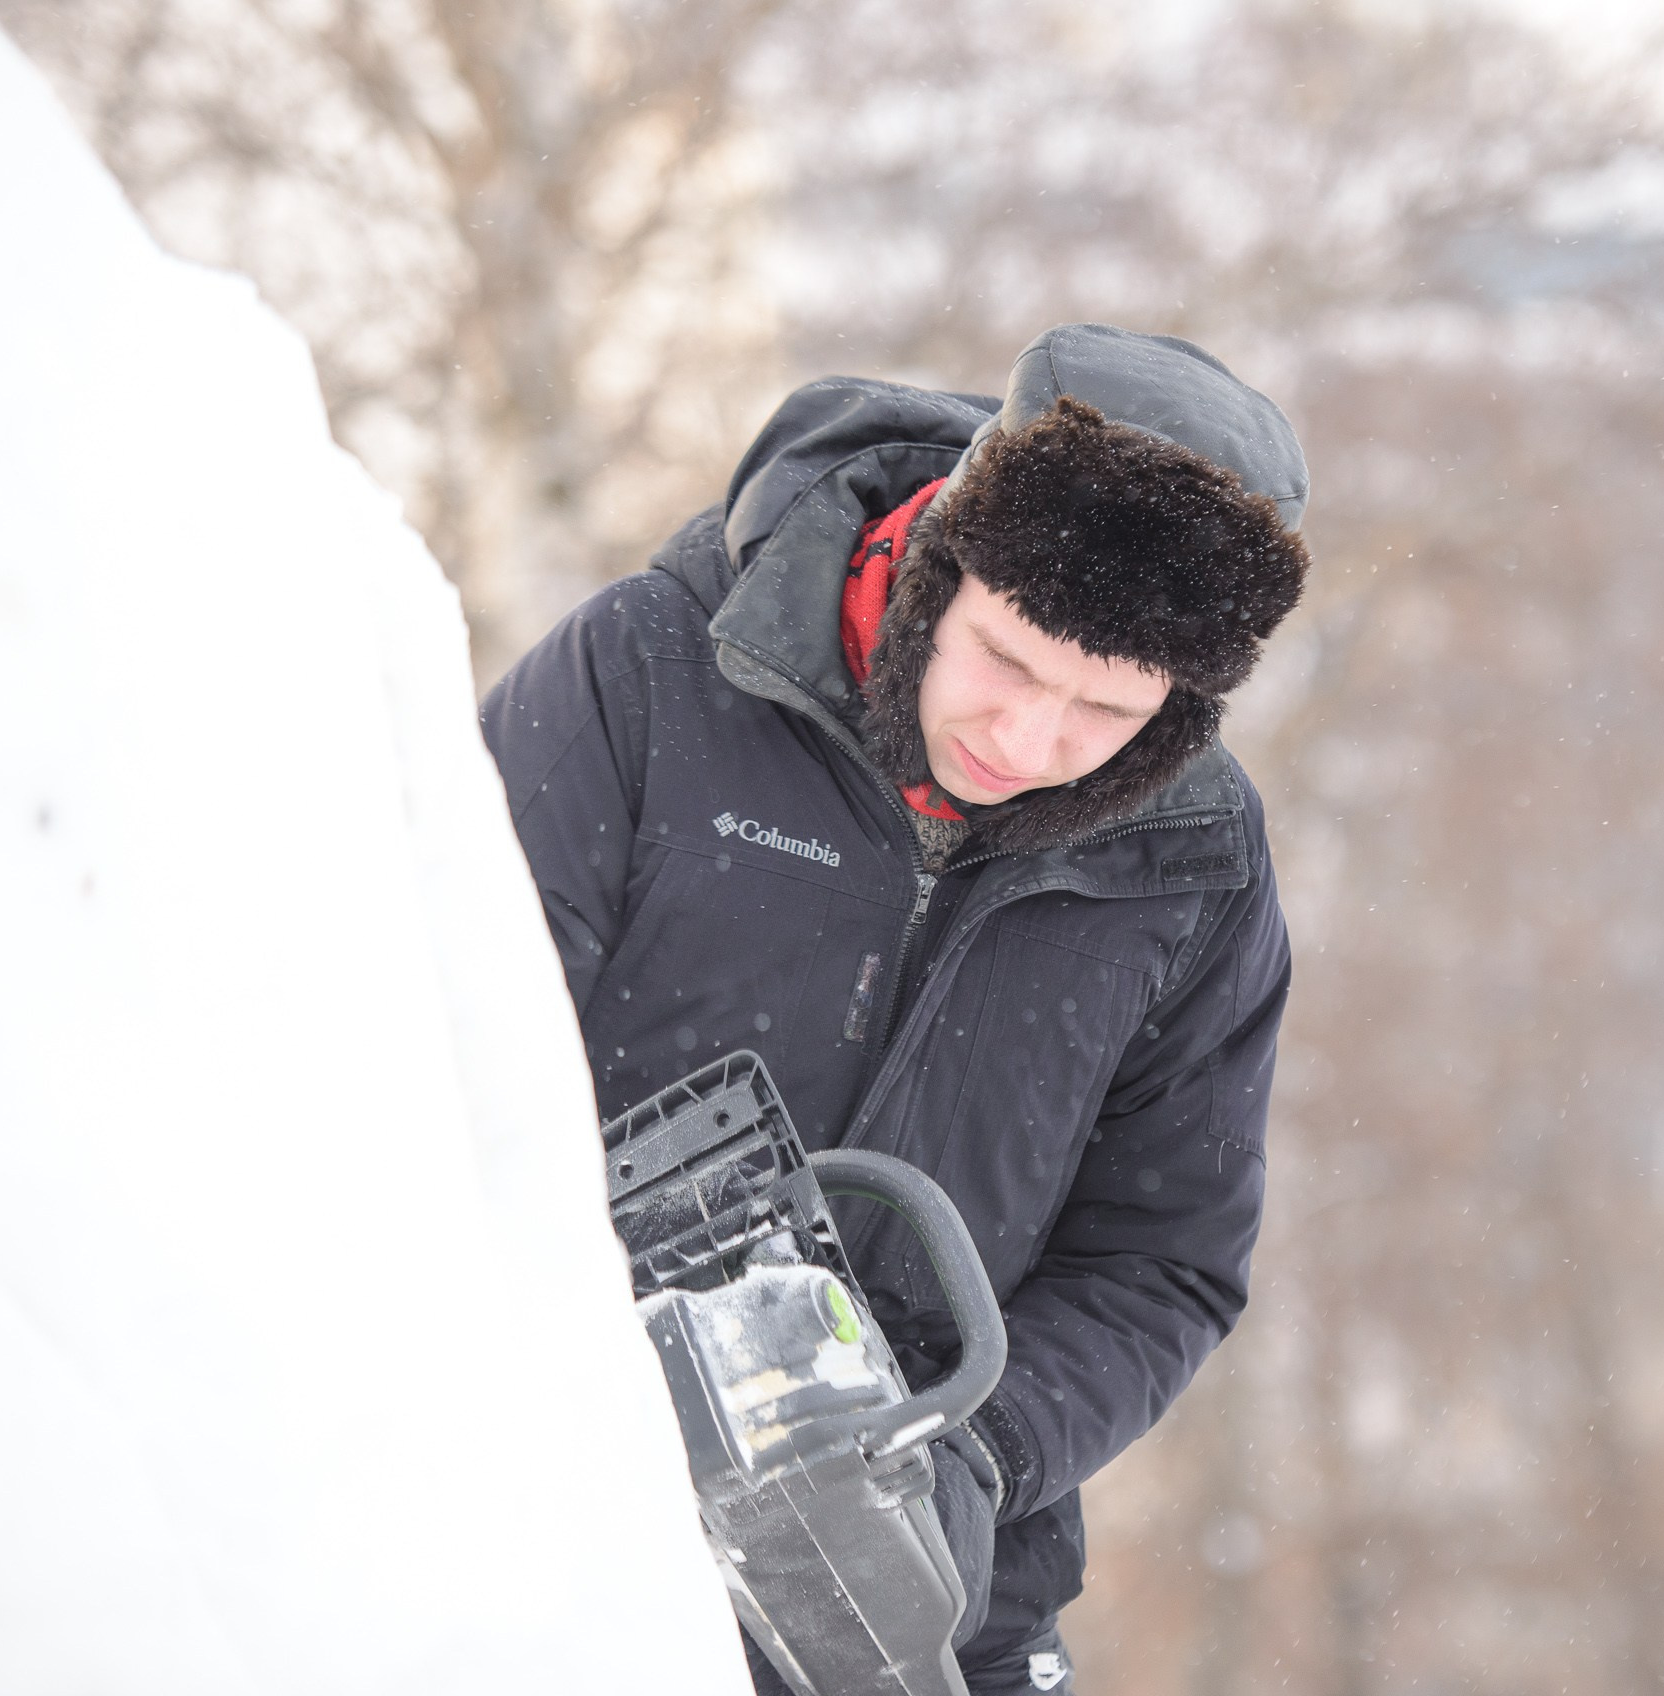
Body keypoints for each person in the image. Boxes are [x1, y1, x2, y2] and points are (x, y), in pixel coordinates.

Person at [480, 323, 1310, 1694]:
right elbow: (429, 1066)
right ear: (939, 562)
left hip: (930, 1612)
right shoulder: (647, 679)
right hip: (569, 1545)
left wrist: (972, 1455)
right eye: (1007, 659)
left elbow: (1164, 1259)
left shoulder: (1194, 861)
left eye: (1106, 709)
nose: (1028, 743)